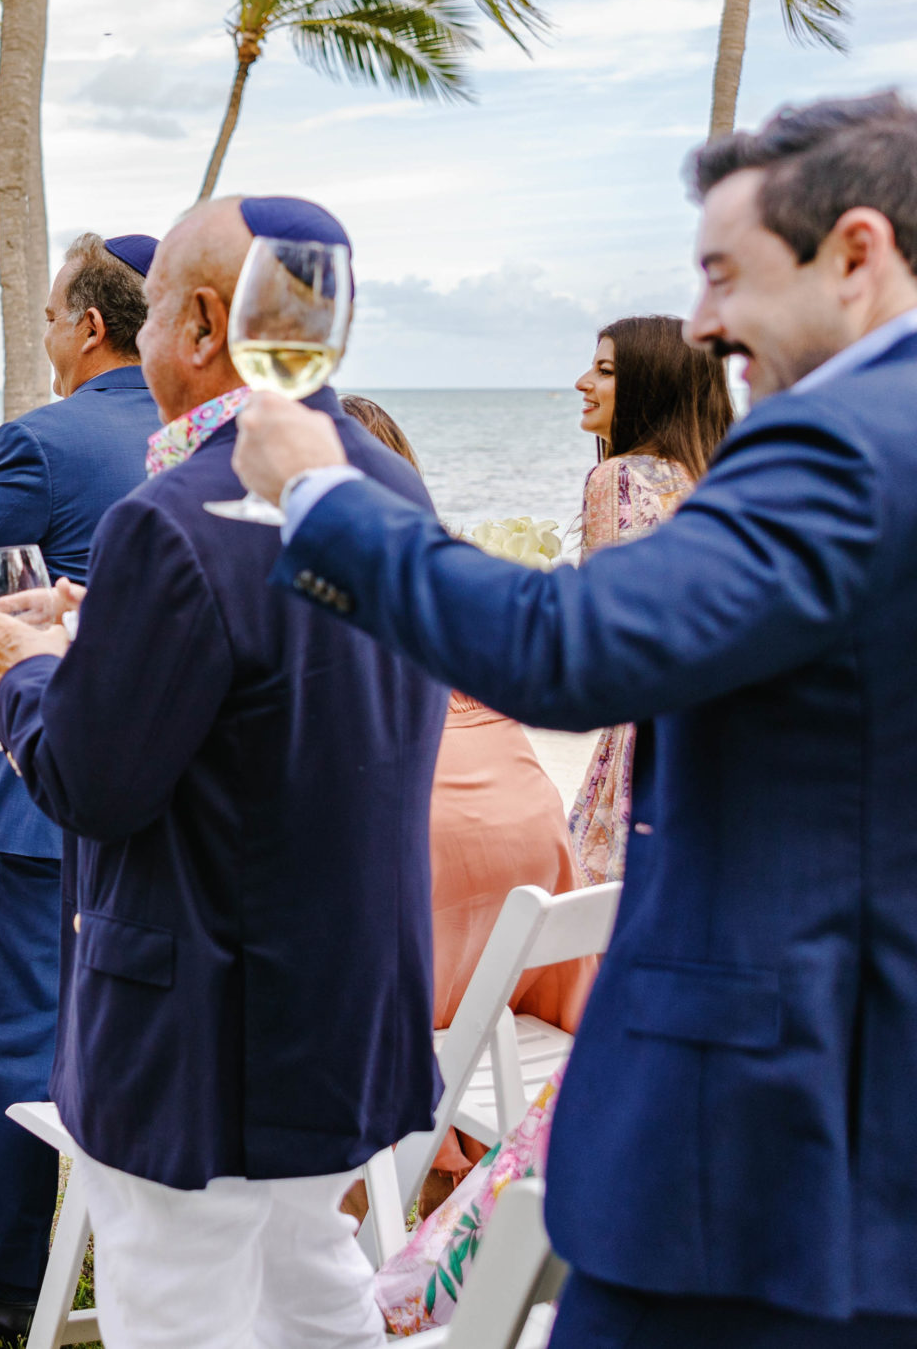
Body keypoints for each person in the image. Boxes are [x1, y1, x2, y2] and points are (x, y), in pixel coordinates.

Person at [239, 90, 917, 1345]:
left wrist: (324, 505)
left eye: (723, 273)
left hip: (768, 1138)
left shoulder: (842, 447)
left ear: (858, 253)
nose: (703, 319)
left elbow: (571, 645)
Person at [0, 196, 444, 1349]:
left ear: (200, 323)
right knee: (313, 1284)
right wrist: (107, 621)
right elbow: (286, 687)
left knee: (177, 1312)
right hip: (341, 1008)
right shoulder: (384, 479)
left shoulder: (173, 515)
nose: (135, 349)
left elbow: (90, 782)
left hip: (198, 1031)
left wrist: (27, 673)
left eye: (148, 322)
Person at [0, 231, 158, 1339]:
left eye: (54, 316)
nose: (50, 335)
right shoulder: (227, 435)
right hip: (176, 785)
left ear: (90, 325)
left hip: (44, 783)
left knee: (16, 1026)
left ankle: (4, 1272)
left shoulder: (47, 438)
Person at [338, 397, 594, 1207]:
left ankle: (355, 1236)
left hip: (425, 930)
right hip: (536, 895)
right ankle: (439, 1234)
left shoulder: (330, 601)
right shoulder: (450, 588)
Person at [562, 315, 733, 884]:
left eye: (605, 370)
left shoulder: (619, 477)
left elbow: (599, 640)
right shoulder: (714, 478)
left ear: (651, 385)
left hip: (645, 738)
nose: (583, 382)